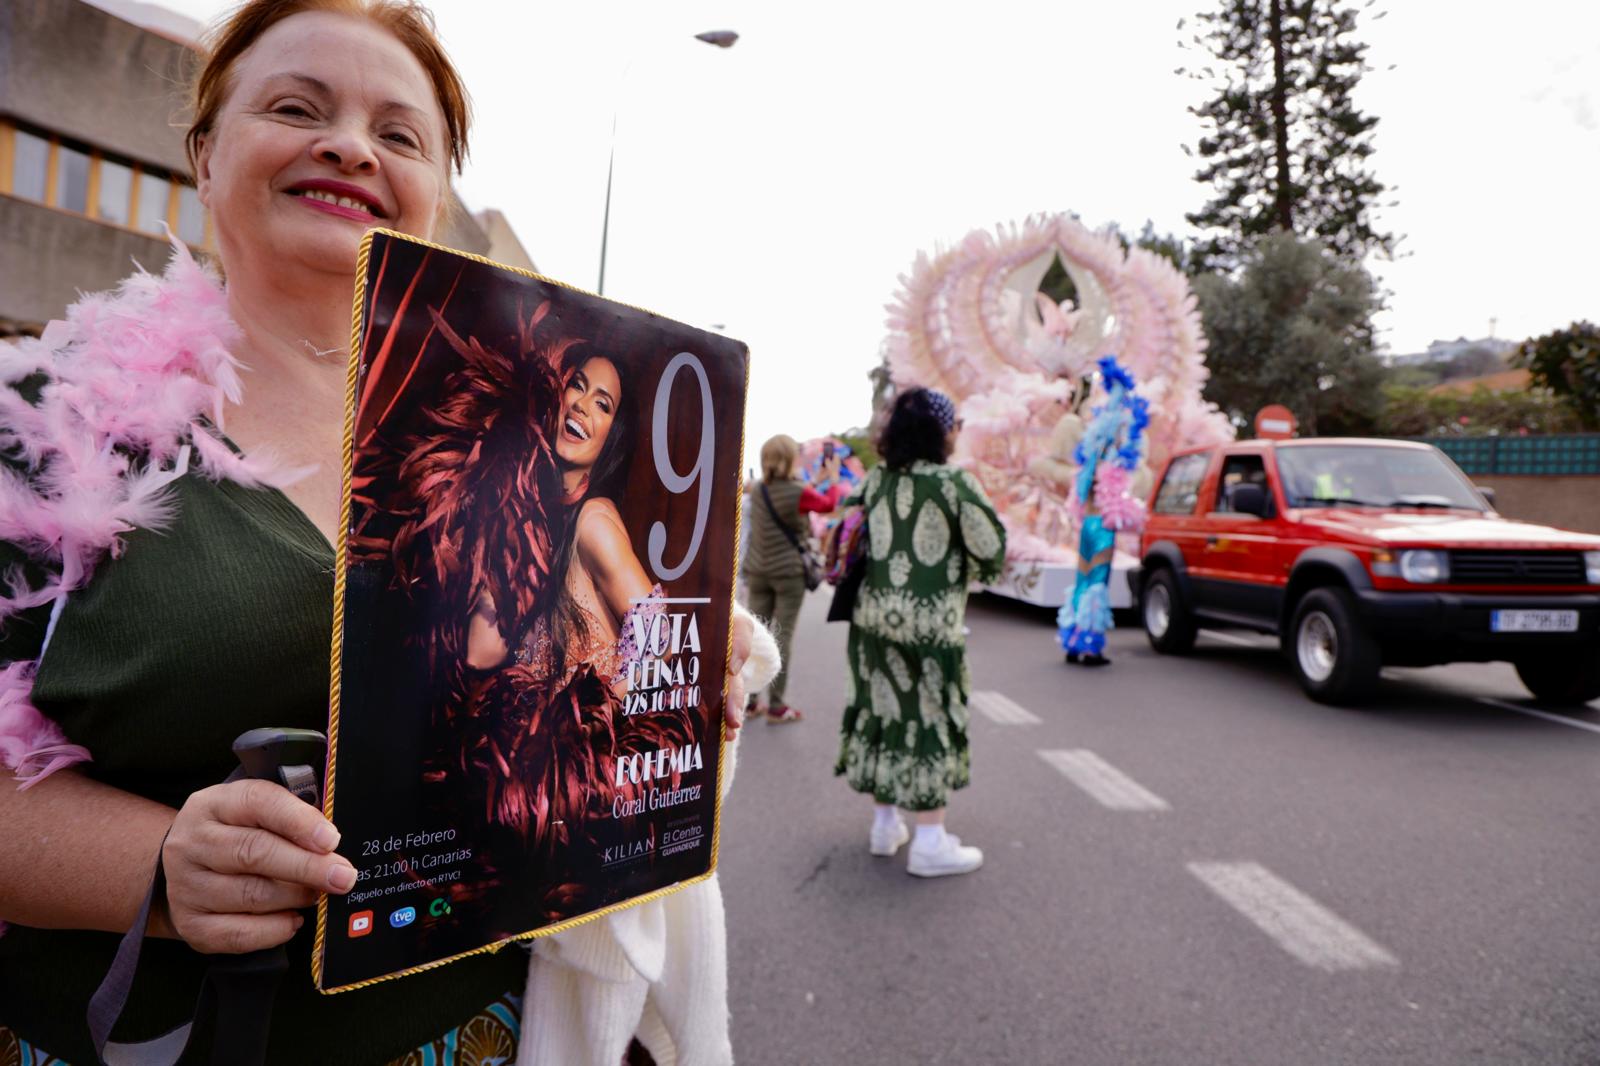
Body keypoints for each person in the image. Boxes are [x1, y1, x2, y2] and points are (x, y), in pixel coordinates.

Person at [0, 3, 766, 1061]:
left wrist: (677, 695)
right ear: (207, 154)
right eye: (295, 107)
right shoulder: (45, 418)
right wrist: (163, 864)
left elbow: (587, 707)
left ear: (436, 192)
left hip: (477, 1028)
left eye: (399, 133)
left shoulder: (517, 449)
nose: (351, 145)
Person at [834, 389, 1007, 877]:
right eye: (956, 422)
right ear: (941, 430)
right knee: (929, 716)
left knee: (882, 710)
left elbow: (842, 538)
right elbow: (991, 549)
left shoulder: (873, 482)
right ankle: (930, 838)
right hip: (930, 626)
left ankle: (885, 825)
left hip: (870, 621)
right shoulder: (954, 483)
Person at [740, 435, 846, 723]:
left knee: (754, 637)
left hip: (758, 570)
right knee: (782, 635)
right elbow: (827, 504)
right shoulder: (799, 491)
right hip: (788, 574)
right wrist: (833, 479)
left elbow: (789, 497)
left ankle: (749, 702)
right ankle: (776, 706)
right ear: (790, 459)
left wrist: (816, 479)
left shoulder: (759, 488)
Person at [1059, 478, 1116, 666]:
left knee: (1082, 581)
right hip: (1103, 525)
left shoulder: (1090, 457)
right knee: (1097, 583)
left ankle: (1073, 643)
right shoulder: (1112, 458)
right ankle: (1090, 647)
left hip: (1088, 522)